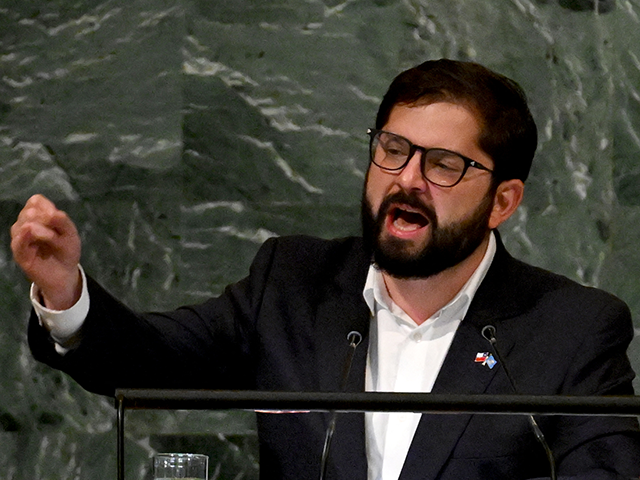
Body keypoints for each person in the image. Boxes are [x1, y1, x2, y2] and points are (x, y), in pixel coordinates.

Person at [11, 59, 640, 480]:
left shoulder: (571, 330)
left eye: (444, 164)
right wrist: (65, 290)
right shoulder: (294, 283)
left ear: (503, 200)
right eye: (393, 151)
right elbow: (149, 361)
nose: (407, 181)